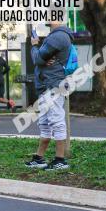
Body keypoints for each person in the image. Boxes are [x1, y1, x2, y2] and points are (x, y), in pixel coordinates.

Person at [25, 22, 73, 171]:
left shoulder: (58, 36)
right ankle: (39, 158)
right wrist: (43, 58)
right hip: (47, 87)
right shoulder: (56, 36)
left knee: (57, 122)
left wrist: (34, 46)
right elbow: (42, 60)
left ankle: (60, 160)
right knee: (45, 123)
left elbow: (38, 59)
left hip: (53, 86)